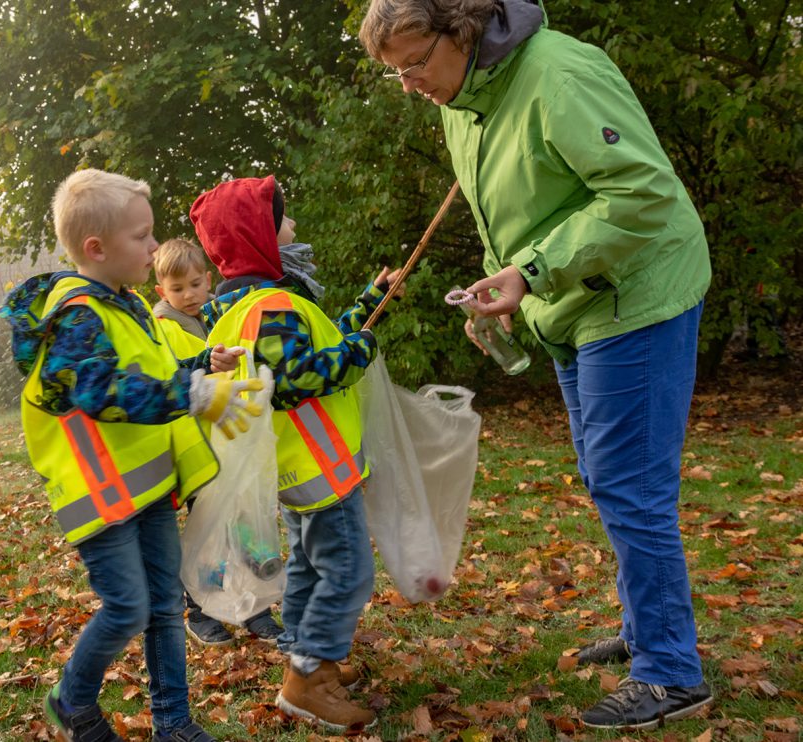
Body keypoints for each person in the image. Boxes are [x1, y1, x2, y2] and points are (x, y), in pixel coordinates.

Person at [359, 0, 714, 730]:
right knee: (606, 475)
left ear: (461, 28)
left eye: (415, 61)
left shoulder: (559, 73)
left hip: (637, 292)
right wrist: (505, 283)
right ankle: (648, 629)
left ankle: (672, 671)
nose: (409, 84)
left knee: (629, 483)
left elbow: (642, 192)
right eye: (394, 73)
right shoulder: (465, 103)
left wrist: (535, 270)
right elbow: (513, 215)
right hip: (572, 305)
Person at [0, 168, 262, 742]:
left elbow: (154, 377)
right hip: (100, 497)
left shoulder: (125, 305)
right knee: (127, 609)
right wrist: (192, 394)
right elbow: (100, 391)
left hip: (146, 488)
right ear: (96, 248)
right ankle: (71, 701)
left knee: (166, 607)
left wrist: (199, 368)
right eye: (141, 237)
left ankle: (173, 723)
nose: (152, 246)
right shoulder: (76, 315)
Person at [192, 175, 395, 735]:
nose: (295, 227)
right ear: (259, 235)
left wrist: (370, 304)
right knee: (348, 571)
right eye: (283, 221)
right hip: (319, 469)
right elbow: (298, 375)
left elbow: (318, 347)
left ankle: (313, 658)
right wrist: (361, 351)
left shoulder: (240, 306)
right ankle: (307, 679)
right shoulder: (274, 305)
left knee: (309, 565)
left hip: (293, 469)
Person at [151, 237, 285, 647]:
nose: (188, 295)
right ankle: (201, 609)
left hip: (234, 444)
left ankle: (255, 608)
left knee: (246, 522)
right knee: (208, 534)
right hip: (199, 450)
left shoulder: (219, 317)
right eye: (177, 289)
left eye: (195, 284)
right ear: (161, 291)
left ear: (208, 280)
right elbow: (172, 379)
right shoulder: (164, 328)